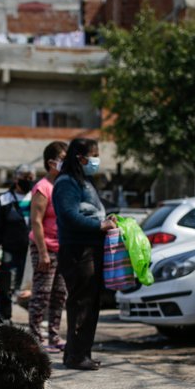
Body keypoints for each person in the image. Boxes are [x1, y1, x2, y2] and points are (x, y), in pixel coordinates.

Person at [53, 138, 116, 370]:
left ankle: (80, 352)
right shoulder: (66, 183)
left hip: (91, 249)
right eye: (94, 155)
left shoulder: (83, 181)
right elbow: (69, 216)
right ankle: (76, 356)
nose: (96, 160)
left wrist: (106, 221)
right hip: (78, 251)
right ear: (80, 158)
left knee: (91, 302)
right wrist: (99, 226)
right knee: (81, 302)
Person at [29, 141, 69, 352]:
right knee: (42, 294)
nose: (67, 161)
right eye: (63, 158)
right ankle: (35, 338)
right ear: (51, 162)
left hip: (62, 249)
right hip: (44, 248)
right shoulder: (42, 188)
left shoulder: (62, 185)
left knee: (59, 294)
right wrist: (43, 253)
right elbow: (36, 221)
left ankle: (54, 336)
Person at [0, 164, 36, 322]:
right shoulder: (5, 199)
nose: (29, 181)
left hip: (32, 250)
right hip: (10, 249)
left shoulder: (37, 196)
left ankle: (36, 320)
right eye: (26, 178)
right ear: (17, 179)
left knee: (32, 286)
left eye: (31, 178)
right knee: (7, 284)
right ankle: (5, 318)